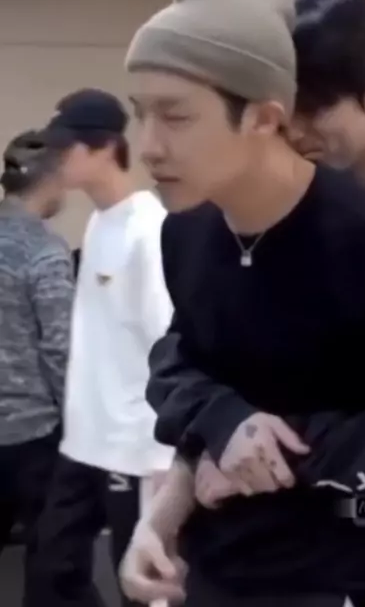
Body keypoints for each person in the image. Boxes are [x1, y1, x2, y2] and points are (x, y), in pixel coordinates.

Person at [120, 0, 365, 606]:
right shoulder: (184, 231)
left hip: (341, 580)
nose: (149, 147)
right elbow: (198, 381)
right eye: (142, 114)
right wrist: (158, 524)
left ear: (264, 117)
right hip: (217, 575)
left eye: (176, 116)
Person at [29, 89, 174, 607]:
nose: (56, 159)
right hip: (83, 439)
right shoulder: (97, 224)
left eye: (66, 147)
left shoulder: (148, 230)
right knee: (51, 571)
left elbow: (166, 343)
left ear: (106, 147)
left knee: (138, 583)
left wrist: (164, 458)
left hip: (132, 447)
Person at [0, 130, 74, 600]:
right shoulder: (44, 250)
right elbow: (60, 349)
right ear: (55, 178)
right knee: (52, 569)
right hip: (31, 437)